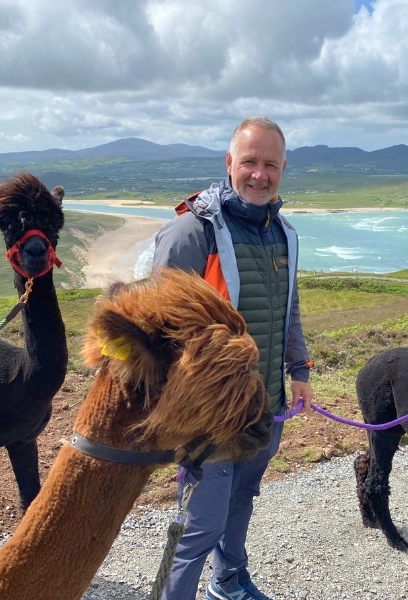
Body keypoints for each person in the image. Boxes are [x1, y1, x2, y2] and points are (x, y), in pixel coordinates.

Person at [150, 116, 313, 600]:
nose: (259, 174)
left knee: (242, 498)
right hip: (211, 417)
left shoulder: (282, 232)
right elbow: (157, 330)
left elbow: (288, 307)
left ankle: (229, 581)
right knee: (200, 524)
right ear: (229, 164)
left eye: (269, 164)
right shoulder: (191, 232)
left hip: (267, 405)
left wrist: (299, 370)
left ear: (283, 168)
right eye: (249, 162)